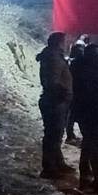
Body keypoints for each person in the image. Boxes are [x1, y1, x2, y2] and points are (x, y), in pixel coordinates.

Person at [36, 32, 74, 179]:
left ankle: (58, 163)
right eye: (64, 41)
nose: (66, 43)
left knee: (56, 135)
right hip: (54, 102)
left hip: (54, 100)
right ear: (59, 42)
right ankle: (49, 168)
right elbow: (53, 81)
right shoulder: (53, 58)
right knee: (53, 135)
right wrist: (64, 95)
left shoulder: (53, 56)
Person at [70, 44, 98, 190]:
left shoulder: (76, 67)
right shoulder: (94, 69)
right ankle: (96, 178)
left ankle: (86, 176)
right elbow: (96, 90)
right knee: (94, 145)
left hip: (81, 110)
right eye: (97, 54)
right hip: (92, 110)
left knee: (88, 144)